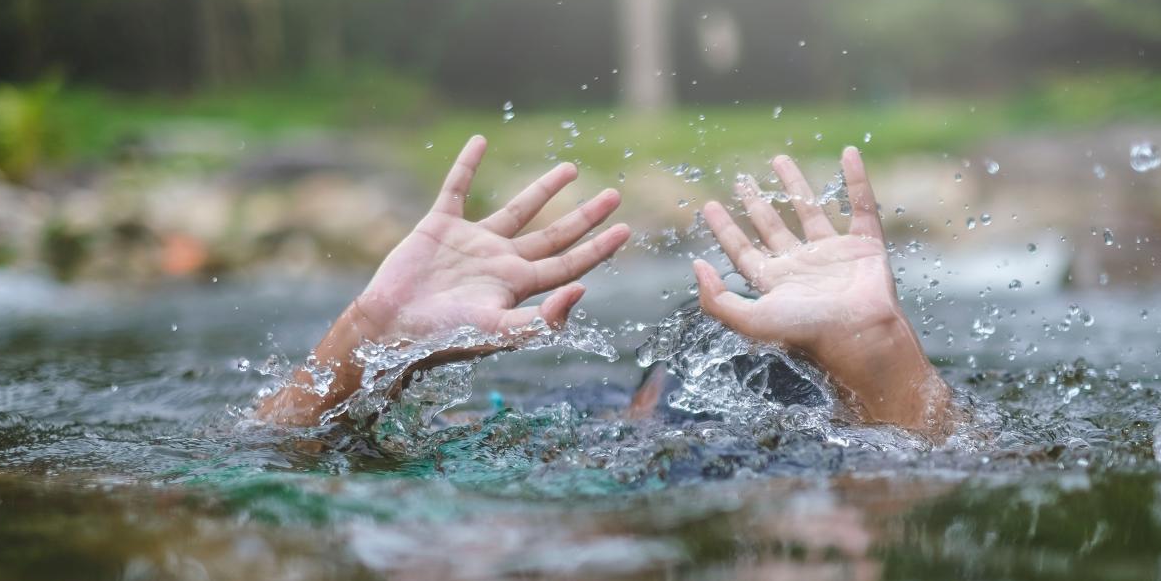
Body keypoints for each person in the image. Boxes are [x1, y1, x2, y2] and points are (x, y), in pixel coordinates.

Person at [255, 136, 955, 438]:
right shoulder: (564, 430)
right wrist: (372, 332)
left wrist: (361, 345)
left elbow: (268, 452)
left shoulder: (548, 449)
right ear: (640, 406)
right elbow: (954, 460)